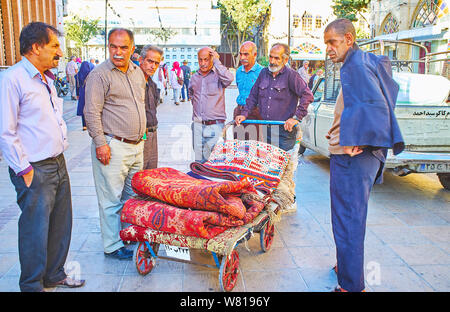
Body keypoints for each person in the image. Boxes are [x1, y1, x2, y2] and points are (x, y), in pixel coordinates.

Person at [0, 22, 85, 292]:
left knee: (61, 222)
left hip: (57, 163)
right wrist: (24, 170)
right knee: (35, 230)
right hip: (34, 168)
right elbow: (6, 130)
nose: (60, 52)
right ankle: (32, 284)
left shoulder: (44, 77)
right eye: (54, 46)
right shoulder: (13, 79)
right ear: (36, 47)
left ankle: (54, 274)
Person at [323, 18, 404, 292]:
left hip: (354, 158)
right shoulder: (363, 62)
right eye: (326, 44)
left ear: (349, 38)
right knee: (348, 217)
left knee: (348, 220)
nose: (329, 49)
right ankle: (347, 266)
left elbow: (378, 107)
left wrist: (351, 140)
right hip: (356, 156)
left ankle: (351, 286)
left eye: (332, 42)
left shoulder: (356, 65)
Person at [84, 28, 147, 260]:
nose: (117, 52)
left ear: (132, 48)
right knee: (110, 198)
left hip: (135, 146)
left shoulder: (137, 72)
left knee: (131, 196)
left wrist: (142, 135)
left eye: (123, 47)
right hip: (113, 145)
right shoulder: (99, 75)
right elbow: (91, 112)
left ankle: (126, 235)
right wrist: (101, 143)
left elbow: (138, 106)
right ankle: (112, 245)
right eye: (113, 46)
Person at [235, 43, 314, 152]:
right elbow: (253, 96)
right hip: (266, 130)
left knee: (284, 166)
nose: (272, 61)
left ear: (285, 60)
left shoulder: (291, 75)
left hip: (284, 132)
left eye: (276, 58)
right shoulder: (263, 73)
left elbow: (307, 95)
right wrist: (244, 114)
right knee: (267, 164)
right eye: (271, 57)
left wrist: (296, 118)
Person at [189, 47, 234, 162]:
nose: (203, 63)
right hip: (198, 126)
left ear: (212, 59)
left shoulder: (219, 76)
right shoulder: (194, 77)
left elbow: (229, 78)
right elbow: (192, 96)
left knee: (217, 163)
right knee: (199, 163)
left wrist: (217, 61)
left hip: (216, 127)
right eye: (200, 60)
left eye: (206, 60)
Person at [233, 41, 263, 140]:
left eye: (246, 54)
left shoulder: (262, 72)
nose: (242, 57)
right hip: (239, 111)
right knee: (238, 147)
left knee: (254, 149)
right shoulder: (239, 71)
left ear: (254, 55)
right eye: (241, 54)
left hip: (255, 113)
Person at [139, 45, 163, 169]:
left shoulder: (151, 84)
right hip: (142, 134)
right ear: (140, 60)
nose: (153, 66)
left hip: (153, 132)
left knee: (151, 171)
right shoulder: (134, 82)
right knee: (139, 173)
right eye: (149, 61)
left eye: (156, 63)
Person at [75, 61, 94, 130]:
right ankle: (90, 124)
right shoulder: (91, 74)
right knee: (90, 108)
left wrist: (77, 94)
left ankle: (84, 125)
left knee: (83, 109)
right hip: (90, 92)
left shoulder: (78, 75)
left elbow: (77, 85)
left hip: (81, 92)